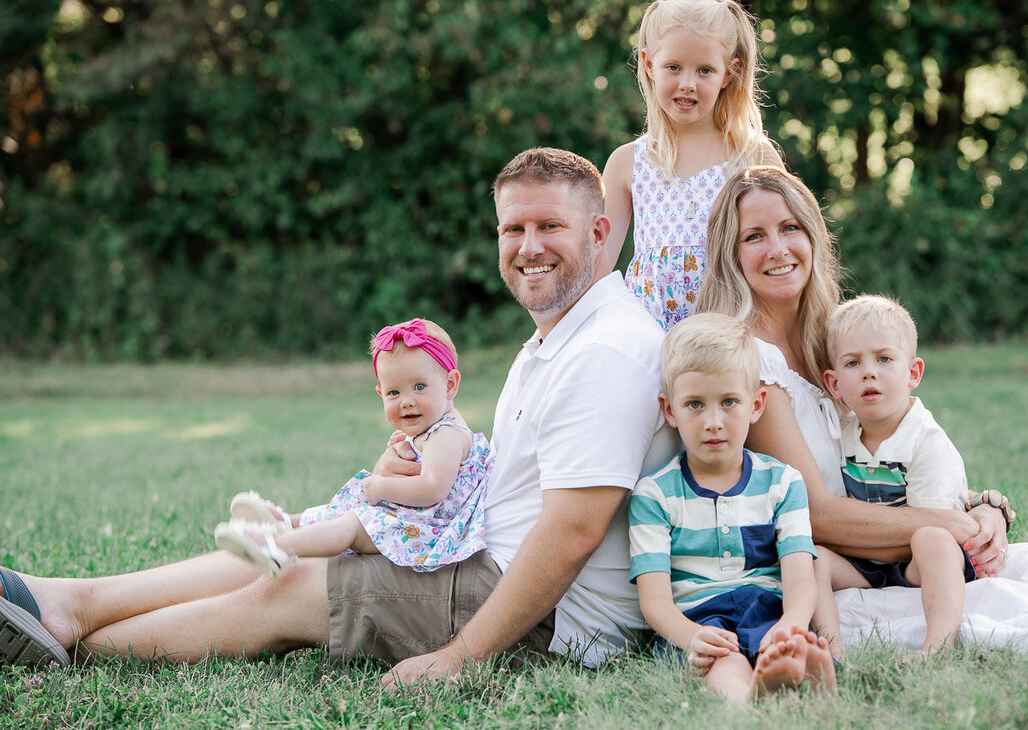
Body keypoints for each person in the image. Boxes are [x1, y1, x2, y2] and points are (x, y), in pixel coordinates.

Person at [0, 148, 679, 686]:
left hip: (549, 620)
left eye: (549, 226)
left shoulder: (610, 349)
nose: (528, 246)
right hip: (486, 557)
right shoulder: (565, 336)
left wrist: (462, 656)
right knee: (295, 537)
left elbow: (573, 531)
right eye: (513, 228)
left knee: (289, 585)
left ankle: (74, 642)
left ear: (598, 231)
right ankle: (66, 601)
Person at [699, 165, 1028, 653]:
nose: (778, 249)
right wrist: (951, 526)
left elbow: (895, 445)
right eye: (754, 236)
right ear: (731, 253)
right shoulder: (748, 360)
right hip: (825, 560)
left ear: (813, 237)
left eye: (790, 228)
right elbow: (817, 512)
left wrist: (981, 509)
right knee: (1008, 599)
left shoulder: (832, 338)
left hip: (887, 538)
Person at [629, 313, 836, 701]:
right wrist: (690, 636)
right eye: (694, 404)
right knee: (725, 662)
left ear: (756, 404)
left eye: (729, 402)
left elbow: (800, 578)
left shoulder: (783, 482)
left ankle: (798, 677)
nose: (713, 422)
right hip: (699, 622)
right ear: (669, 409)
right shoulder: (654, 495)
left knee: (789, 647)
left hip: (768, 611)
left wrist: (790, 623)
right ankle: (744, 704)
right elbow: (654, 600)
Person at [213, 318, 489, 577]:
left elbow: (433, 488)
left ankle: (277, 548)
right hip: (415, 518)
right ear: (381, 392)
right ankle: (289, 523)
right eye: (394, 392)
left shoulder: (446, 436)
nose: (406, 401)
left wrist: (380, 486)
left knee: (352, 523)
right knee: (347, 509)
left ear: (450, 385)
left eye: (419, 386)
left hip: (428, 531)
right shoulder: (433, 427)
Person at [601, 0, 784, 329]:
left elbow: (778, 253)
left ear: (728, 74)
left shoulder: (753, 156)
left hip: (729, 338)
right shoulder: (627, 163)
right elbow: (597, 268)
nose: (687, 84)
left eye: (705, 70)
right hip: (646, 339)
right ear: (649, 63)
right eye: (673, 67)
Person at [810, 295, 974, 662]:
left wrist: (856, 541)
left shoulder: (926, 442)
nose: (869, 372)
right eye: (853, 363)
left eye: (884, 359)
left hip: (918, 563)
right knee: (814, 557)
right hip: (865, 564)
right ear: (834, 384)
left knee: (933, 539)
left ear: (913, 373)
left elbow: (933, 525)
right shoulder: (842, 433)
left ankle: (937, 647)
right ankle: (829, 648)